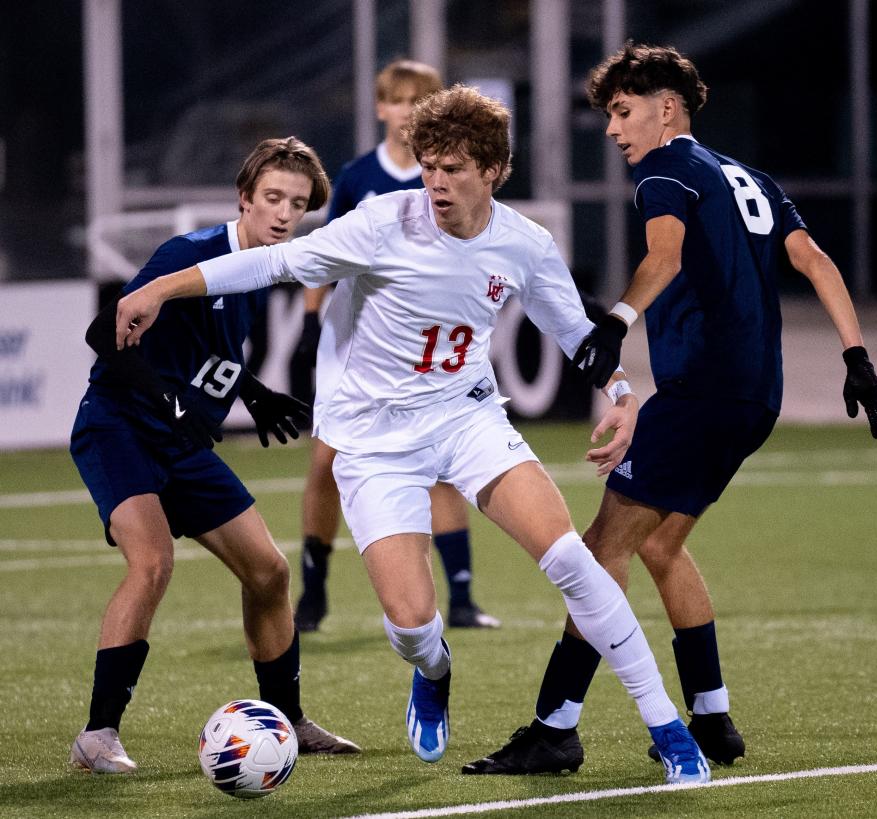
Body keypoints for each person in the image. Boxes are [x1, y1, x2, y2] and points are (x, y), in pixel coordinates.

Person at [113, 85, 712, 785]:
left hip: (467, 418)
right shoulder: (381, 222)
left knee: (572, 561)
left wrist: (621, 391)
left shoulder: (523, 244)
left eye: (453, 168)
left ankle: (669, 729)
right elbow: (274, 263)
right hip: (371, 444)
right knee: (410, 624)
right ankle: (434, 670)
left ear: (493, 169)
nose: (435, 182)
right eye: (428, 166)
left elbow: (577, 332)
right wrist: (159, 289)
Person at [463, 42, 877, 776]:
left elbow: (663, 256)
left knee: (600, 551)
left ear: (668, 108)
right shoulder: (749, 176)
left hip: (700, 394)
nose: (612, 129)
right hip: (756, 397)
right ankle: (715, 716)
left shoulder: (666, 171)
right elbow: (815, 259)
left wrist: (618, 319)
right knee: (659, 545)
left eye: (622, 112)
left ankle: (554, 728)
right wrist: (859, 358)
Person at [68, 137, 361, 774]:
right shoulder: (191, 255)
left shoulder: (264, 267)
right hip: (118, 426)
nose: (285, 214)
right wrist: (165, 401)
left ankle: (288, 721)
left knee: (270, 573)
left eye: (299, 204)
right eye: (273, 199)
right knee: (152, 562)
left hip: (181, 442)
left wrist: (254, 393)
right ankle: (97, 736)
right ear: (245, 199)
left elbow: (197, 350)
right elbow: (104, 332)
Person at [291, 60, 500, 634]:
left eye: (420, 100)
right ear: (381, 107)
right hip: (360, 350)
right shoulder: (359, 177)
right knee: (327, 461)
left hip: (429, 350)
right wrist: (310, 323)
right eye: (399, 100)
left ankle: (460, 595)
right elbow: (324, 254)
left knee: (439, 467)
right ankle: (313, 592)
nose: (408, 111)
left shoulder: (449, 174)